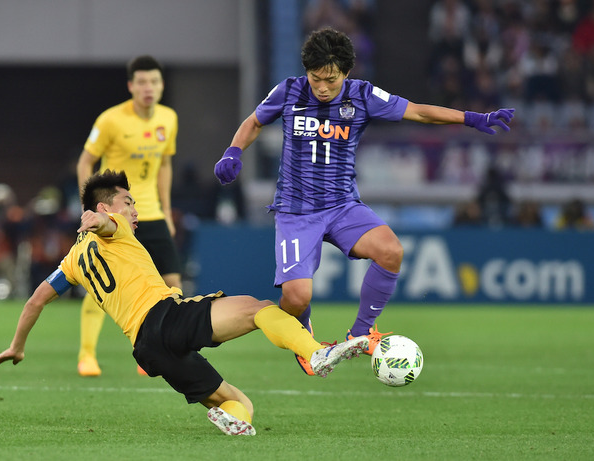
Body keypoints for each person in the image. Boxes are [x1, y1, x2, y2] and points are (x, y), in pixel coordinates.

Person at [214, 27, 514, 375]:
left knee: (391, 251)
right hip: (296, 211)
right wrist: (233, 151)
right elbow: (254, 122)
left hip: (343, 205)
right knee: (296, 299)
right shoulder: (289, 90)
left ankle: (360, 334)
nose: (322, 87)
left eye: (331, 79)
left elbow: (418, 112)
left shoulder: (363, 96)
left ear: (346, 72)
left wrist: (472, 118)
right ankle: (304, 335)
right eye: (316, 78)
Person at [0, 170, 368, 436]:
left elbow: (36, 300)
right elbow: (105, 225)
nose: (134, 209)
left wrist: (17, 346)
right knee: (257, 308)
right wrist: (96, 220)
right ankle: (315, 352)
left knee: (240, 403)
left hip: (146, 349)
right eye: (127, 202)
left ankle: (231, 419)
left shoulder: (71, 261)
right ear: (108, 208)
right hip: (166, 317)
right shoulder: (115, 228)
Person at [75, 55, 183, 377]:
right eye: (142, 82)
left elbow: (164, 165)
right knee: (101, 285)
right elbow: (85, 163)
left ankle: (154, 354)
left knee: (172, 284)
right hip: (116, 216)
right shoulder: (110, 120)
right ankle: (87, 355)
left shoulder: (168, 118)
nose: (148, 88)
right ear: (131, 86)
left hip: (150, 212)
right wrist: (90, 210)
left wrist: (166, 209)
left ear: (162, 86)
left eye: (154, 82)